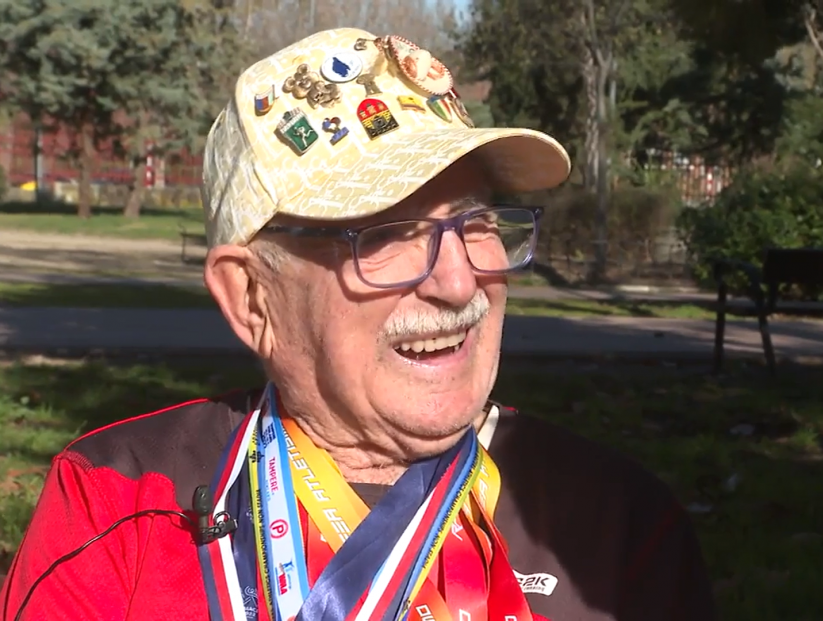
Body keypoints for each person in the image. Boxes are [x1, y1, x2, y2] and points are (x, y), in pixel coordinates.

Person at [0, 28, 715, 621]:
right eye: (385, 234)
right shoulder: (114, 502)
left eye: (476, 221)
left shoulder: (617, 526)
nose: (459, 281)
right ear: (252, 298)